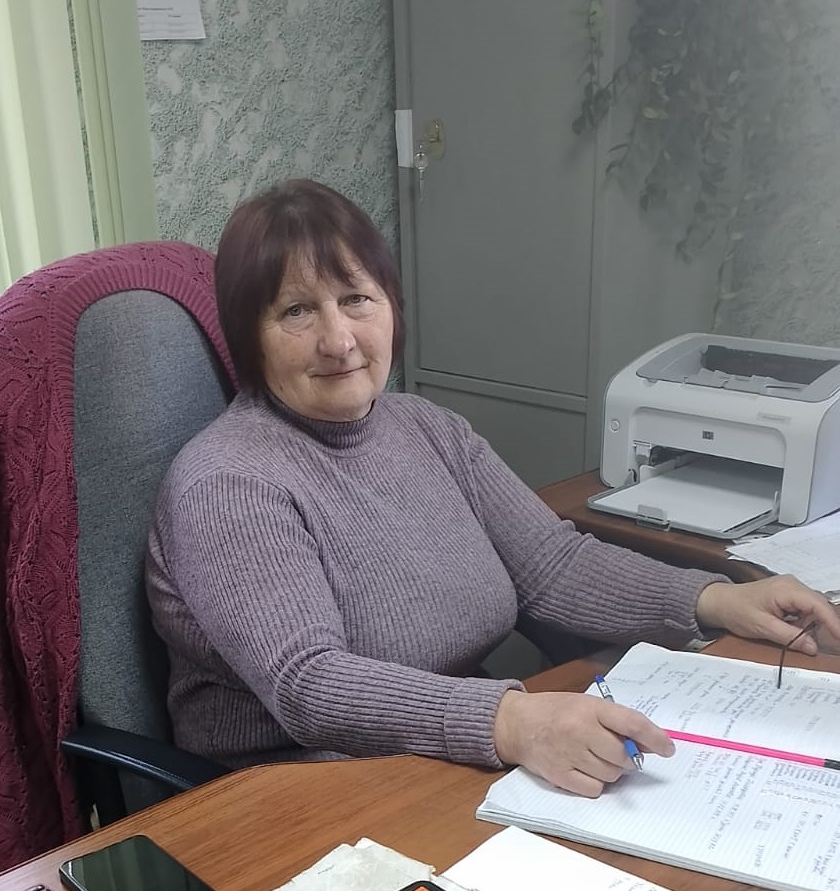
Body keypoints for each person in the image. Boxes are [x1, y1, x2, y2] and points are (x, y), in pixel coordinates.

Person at [146, 178, 840, 798]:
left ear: (391, 306)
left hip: (440, 752)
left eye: (356, 298)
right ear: (250, 336)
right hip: (295, 791)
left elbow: (552, 564)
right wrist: (510, 721)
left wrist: (716, 598)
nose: (339, 338)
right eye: (297, 311)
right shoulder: (229, 482)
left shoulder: (425, 427)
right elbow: (309, 683)